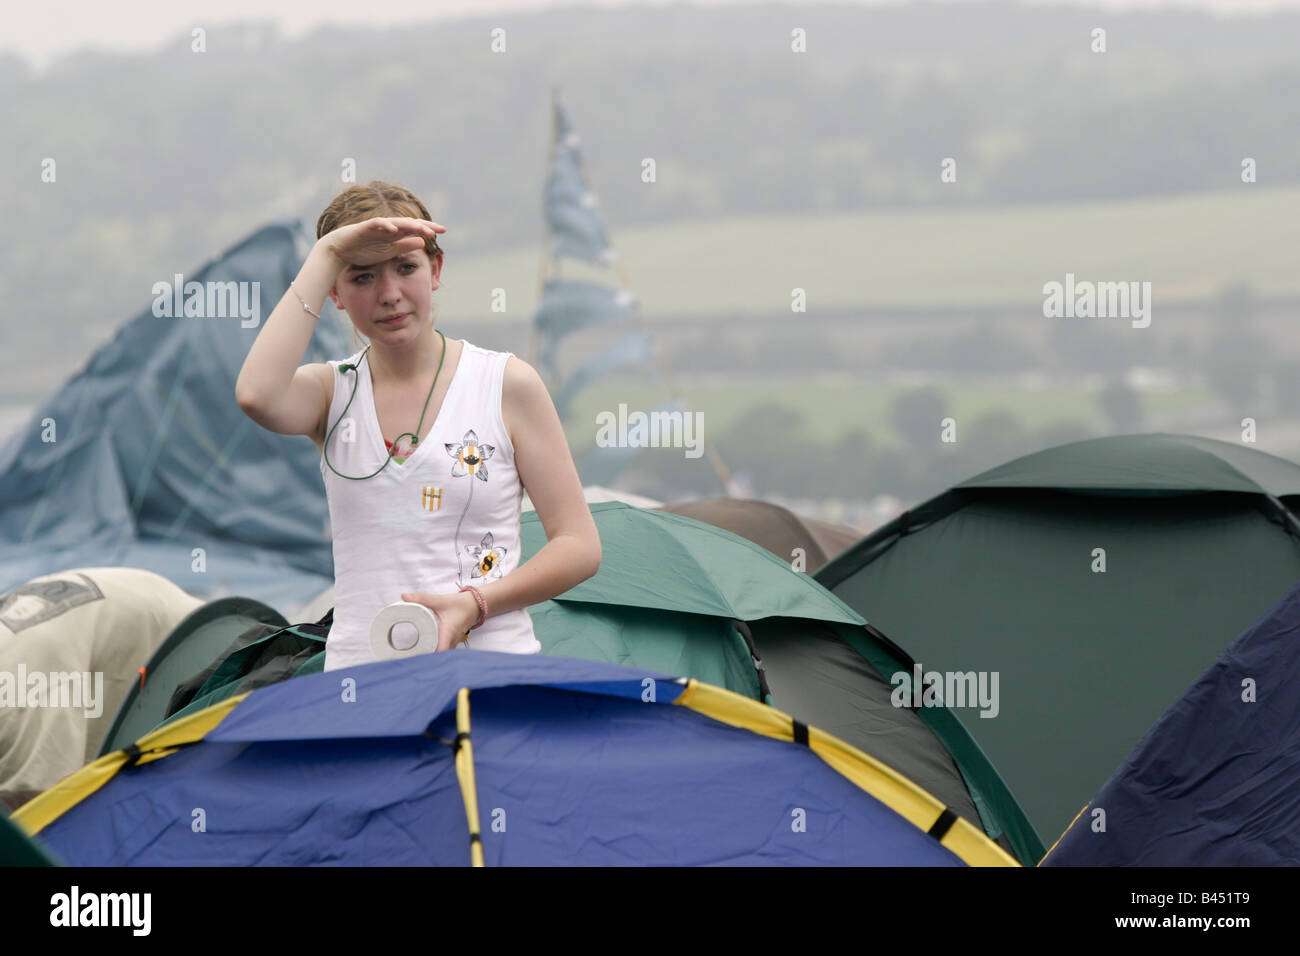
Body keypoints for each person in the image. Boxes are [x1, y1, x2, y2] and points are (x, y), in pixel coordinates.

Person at [236, 181, 601, 670]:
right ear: (334, 293)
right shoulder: (331, 393)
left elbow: (579, 545)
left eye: (406, 268)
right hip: (360, 685)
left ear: (436, 270)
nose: (389, 295)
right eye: (361, 277)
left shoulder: (505, 384)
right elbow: (256, 394)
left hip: (491, 677)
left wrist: (475, 604)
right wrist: (325, 253)